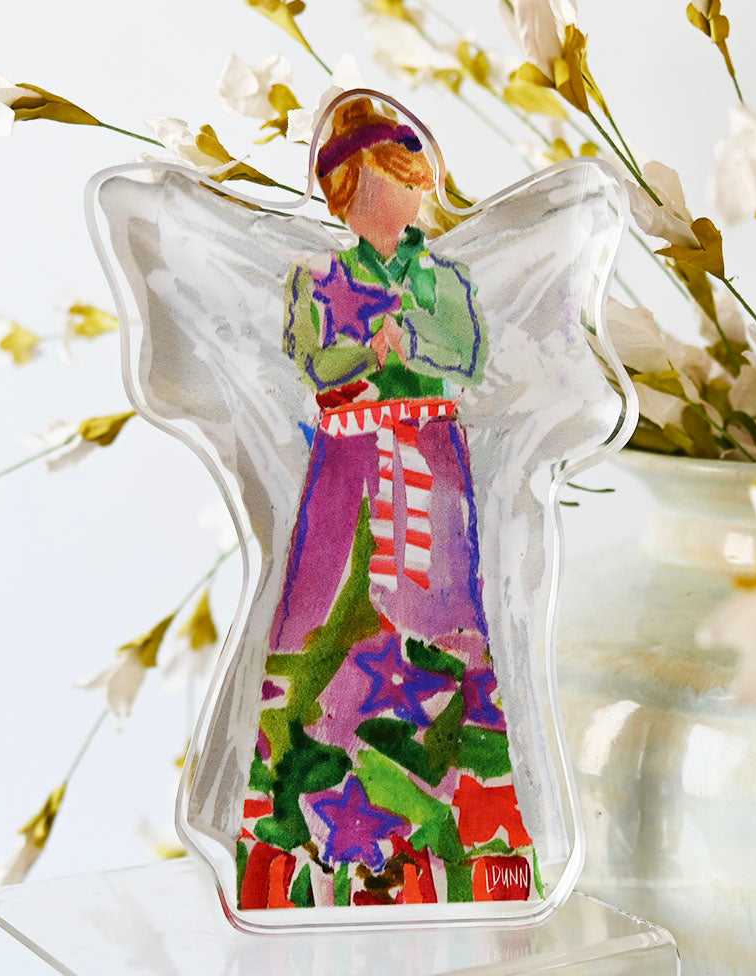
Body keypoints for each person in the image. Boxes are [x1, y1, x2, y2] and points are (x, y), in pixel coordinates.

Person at [235, 97, 539, 910]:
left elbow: (467, 350)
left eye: (406, 183)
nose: (399, 199)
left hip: (432, 459)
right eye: (377, 187)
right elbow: (311, 357)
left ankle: (462, 812)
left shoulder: (442, 277)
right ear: (343, 197)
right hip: (347, 463)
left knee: (443, 608)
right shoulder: (319, 278)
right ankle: (307, 804)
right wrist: (361, 351)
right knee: (326, 598)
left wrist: (419, 343)